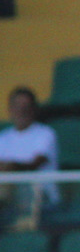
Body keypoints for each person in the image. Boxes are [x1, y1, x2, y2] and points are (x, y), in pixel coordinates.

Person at [0, 86, 59, 228]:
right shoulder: (3, 137)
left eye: (25, 106)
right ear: (10, 109)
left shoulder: (45, 133)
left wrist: (11, 166)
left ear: (34, 109)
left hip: (41, 195)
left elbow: (34, 165)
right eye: (17, 106)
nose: (21, 111)